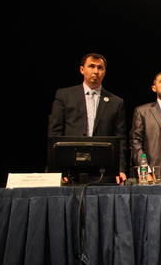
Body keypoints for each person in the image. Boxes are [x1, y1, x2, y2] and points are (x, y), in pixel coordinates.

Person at [48, 53, 127, 182]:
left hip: (103, 169)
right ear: (82, 69)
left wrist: (120, 169)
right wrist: (56, 169)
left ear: (104, 72)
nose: (95, 71)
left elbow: (121, 140)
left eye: (100, 68)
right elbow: (54, 133)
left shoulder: (116, 102)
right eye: (91, 66)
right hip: (69, 167)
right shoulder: (64, 95)